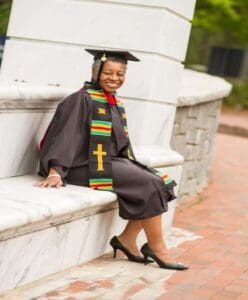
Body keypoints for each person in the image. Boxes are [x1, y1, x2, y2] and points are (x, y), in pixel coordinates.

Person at [34, 49, 188, 270]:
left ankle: (126, 239)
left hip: (106, 163)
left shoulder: (114, 102)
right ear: (96, 72)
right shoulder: (81, 100)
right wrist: (56, 170)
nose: (114, 78)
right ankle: (158, 248)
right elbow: (65, 136)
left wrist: (131, 165)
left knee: (160, 182)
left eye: (120, 74)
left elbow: (119, 144)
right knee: (147, 183)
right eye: (108, 73)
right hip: (80, 167)